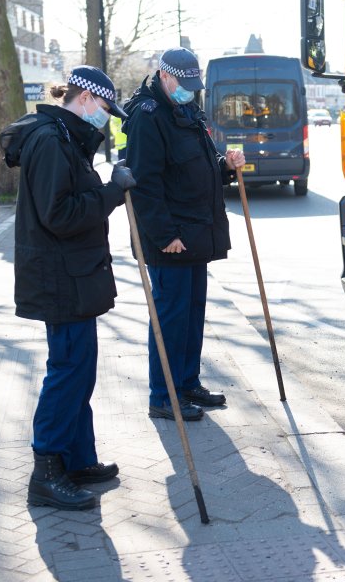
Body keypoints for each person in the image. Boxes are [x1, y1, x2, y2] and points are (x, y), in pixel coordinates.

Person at [6, 65, 136, 510]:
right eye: (104, 108)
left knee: (80, 369)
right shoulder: (50, 141)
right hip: (59, 278)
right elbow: (59, 215)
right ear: (84, 100)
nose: (106, 117)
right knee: (67, 371)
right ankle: (46, 470)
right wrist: (112, 193)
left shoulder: (64, 138)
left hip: (72, 275)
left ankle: (77, 459)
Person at [122, 47, 245, 422]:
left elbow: (197, 164)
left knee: (192, 314)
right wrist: (163, 235)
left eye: (194, 85)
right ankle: (164, 396)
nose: (189, 90)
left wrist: (224, 165)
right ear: (164, 75)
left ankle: (187, 382)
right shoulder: (148, 117)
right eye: (183, 83)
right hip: (171, 238)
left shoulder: (185, 109)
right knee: (170, 318)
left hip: (195, 232)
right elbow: (144, 185)